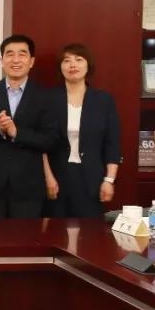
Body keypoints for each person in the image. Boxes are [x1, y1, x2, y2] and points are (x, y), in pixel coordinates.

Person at [0, 34, 58, 219]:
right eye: (10, 54)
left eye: (22, 54)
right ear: (2, 61)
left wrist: (17, 132)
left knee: (25, 236)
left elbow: (50, 140)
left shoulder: (46, 96)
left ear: (31, 61)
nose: (16, 60)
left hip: (29, 184)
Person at [42, 43, 121, 218]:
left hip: (91, 178)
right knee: (55, 229)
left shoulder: (103, 100)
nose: (72, 65)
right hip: (57, 177)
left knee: (89, 230)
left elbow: (112, 144)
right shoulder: (48, 99)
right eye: (66, 60)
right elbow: (42, 143)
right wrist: (48, 177)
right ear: (60, 67)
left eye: (78, 59)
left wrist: (109, 180)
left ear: (88, 65)